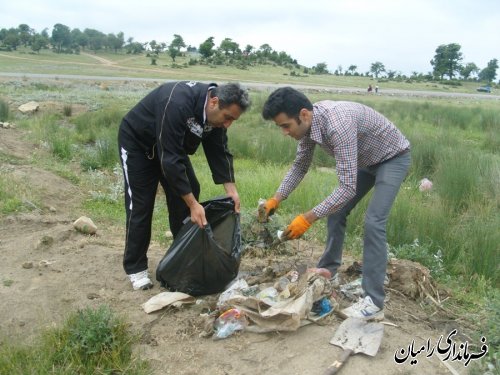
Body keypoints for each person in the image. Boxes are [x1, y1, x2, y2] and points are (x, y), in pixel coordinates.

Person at [260, 87, 410, 320]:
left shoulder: (338, 125)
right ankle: (329, 270)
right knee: (336, 211)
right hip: (366, 160)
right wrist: (276, 198)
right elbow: (300, 166)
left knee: (373, 222)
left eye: (286, 126)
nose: (284, 132)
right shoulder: (309, 126)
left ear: (304, 115)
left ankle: (373, 301)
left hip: (392, 158)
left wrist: (307, 218)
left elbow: (347, 187)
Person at [118, 81, 250, 290]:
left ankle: (181, 257)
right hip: (138, 146)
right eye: (227, 118)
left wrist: (231, 191)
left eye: (233, 120)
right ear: (214, 102)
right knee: (141, 205)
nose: (227, 124)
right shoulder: (178, 102)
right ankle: (136, 268)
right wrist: (192, 204)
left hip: (170, 147)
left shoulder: (215, 117)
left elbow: (219, 151)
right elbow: (169, 159)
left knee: (190, 191)